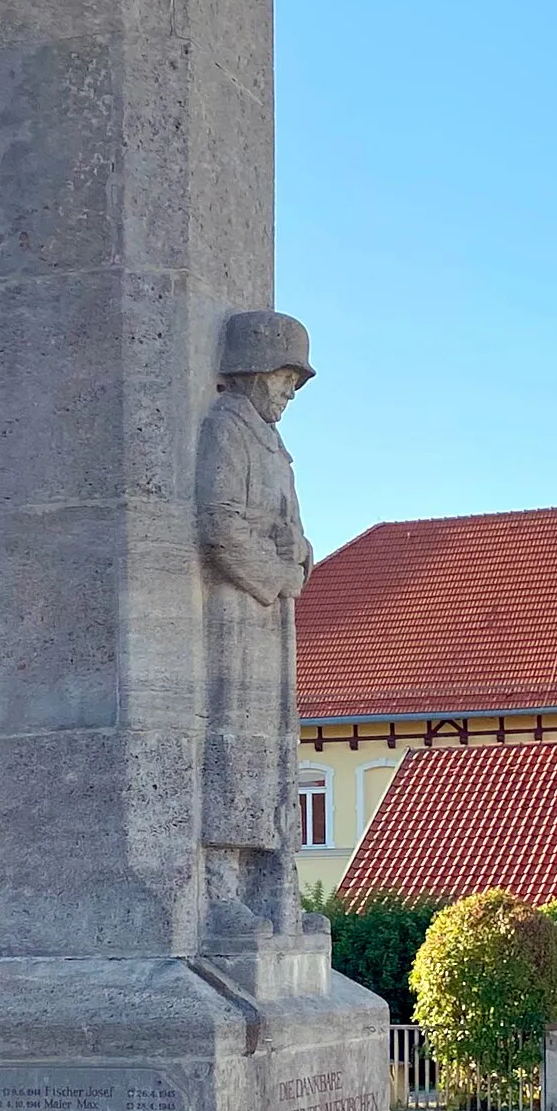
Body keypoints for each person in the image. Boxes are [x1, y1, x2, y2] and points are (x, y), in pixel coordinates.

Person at [197, 311, 316, 942]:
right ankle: (218, 893)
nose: (289, 393)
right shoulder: (228, 428)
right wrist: (273, 573)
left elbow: (286, 521)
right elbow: (219, 522)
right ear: (252, 370)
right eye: (284, 378)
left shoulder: (274, 444)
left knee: (269, 749)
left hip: (271, 615)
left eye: (295, 382)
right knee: (233, 742)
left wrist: (300, 549)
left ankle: (268, 894)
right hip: (240, 615)